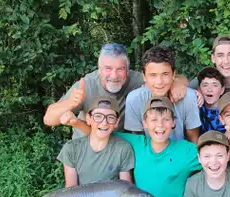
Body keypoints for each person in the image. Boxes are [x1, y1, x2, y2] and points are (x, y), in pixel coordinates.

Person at [43, 43, 193, 139]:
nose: (114, 76)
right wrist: (70, 102)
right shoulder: (86, 84)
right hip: (86, 147)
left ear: (127, 70)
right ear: (99, 68)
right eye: (108, 69)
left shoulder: (137, 79)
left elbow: (165, 78)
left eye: (120, 69)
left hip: (120, 148)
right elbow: (48, 119)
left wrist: (177, 84)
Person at [44, 96, 136, 197]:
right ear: (88, 118)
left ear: (117, 122)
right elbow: (70, 189)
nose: (104, 122)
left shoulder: (123, 148)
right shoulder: (72, 148)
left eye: (110, 117)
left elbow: (127, 188)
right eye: (98, 116)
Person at [115, 96, 203, 197]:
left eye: (166, 120)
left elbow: (218, 155)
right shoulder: (137, 144)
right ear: (144, 123)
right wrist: (75, 121)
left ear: (174, 122)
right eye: (154, 120)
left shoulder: (186, 150)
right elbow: (103, 131)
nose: (160, 125)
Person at [124, 46, 201, 144]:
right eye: (153, 75)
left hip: (181, 153)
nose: (159, 82)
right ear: (144, 76)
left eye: (165, 74)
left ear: (173, 74)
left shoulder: (188, 97)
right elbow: (137, 142)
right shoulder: (134, 99)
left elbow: (193, 141)